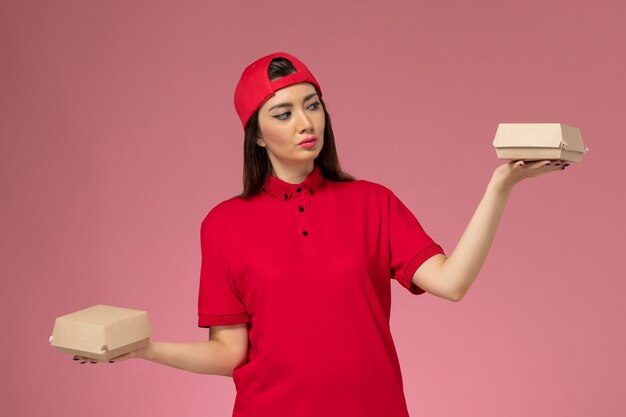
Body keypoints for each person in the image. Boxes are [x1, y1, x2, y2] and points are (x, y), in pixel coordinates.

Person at [73, 52, 569, 416]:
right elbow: (231, 353)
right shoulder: (223, 224)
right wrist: (144, 350)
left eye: (312, 105)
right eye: (283, 113)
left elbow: (453, 282)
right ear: (256, 134)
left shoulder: (373, 203)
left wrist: (501, 186)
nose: (306, 123)